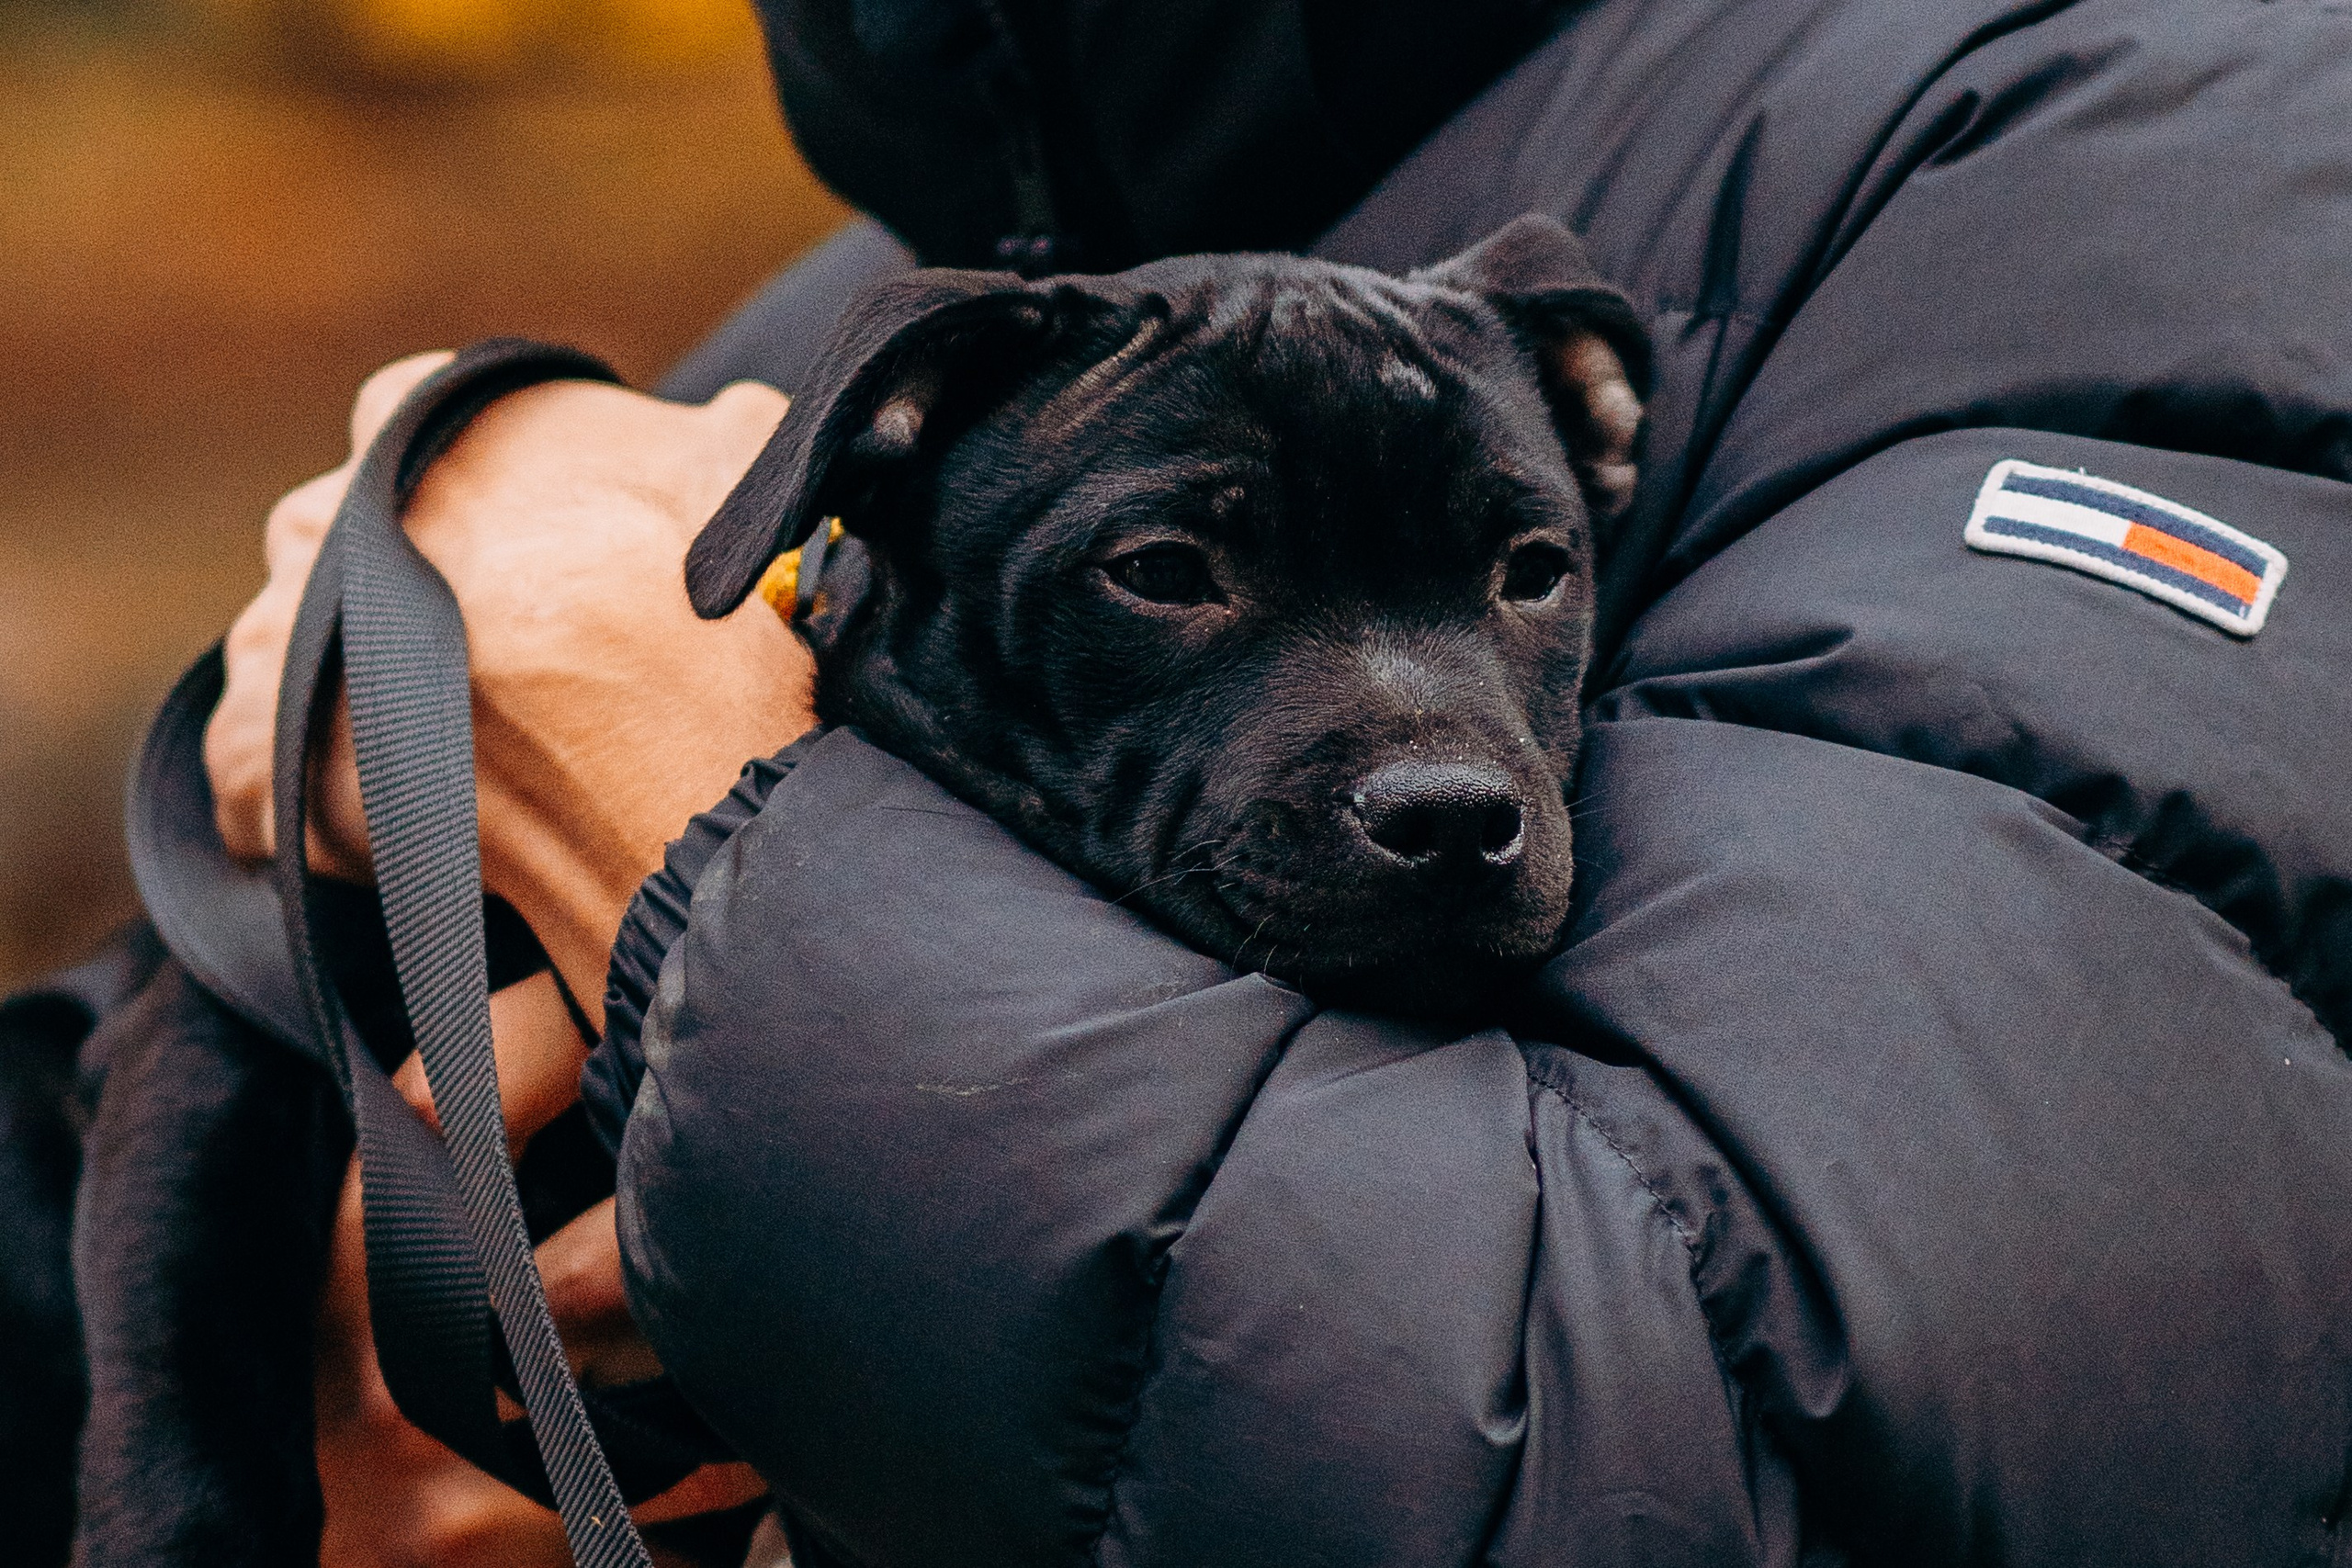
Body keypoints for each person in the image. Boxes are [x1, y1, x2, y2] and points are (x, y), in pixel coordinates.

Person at [48, 0, 2352, 1561]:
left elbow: (1687, 1431)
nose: (1435, 745)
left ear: (1602, 447)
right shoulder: (870, 334)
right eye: (1169, 570)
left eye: (1521, 574)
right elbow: (149, 1068)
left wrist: (661, 799)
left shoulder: (2125, 154)